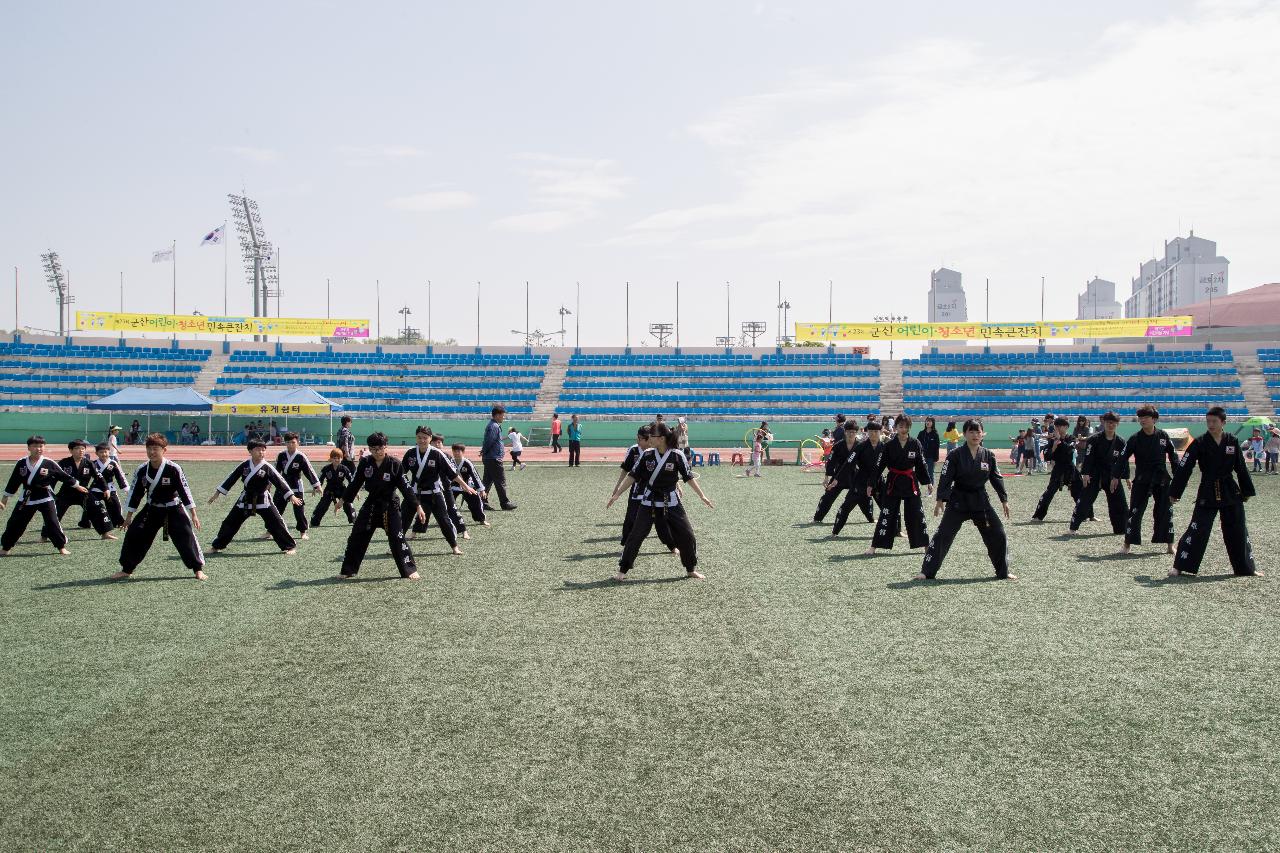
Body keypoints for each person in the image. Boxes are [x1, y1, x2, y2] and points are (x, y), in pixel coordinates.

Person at [607, 421, 714, 581]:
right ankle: (622, 571)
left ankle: (691, 568)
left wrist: (702, 496)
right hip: (648, 501)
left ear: (662, 438)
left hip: (671, 502)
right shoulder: (647, 454)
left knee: (687, 535)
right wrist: (617, 494)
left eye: (652, 435)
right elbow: (633, 475)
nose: (649, 438)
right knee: (635, 536)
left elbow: (688, 477)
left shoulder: (677, 455)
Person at [916, 419, 1015, 581]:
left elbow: (996, 478)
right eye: (971, 431)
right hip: (958, 501)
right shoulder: (955, 455)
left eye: (978, 432)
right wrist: (940, 499)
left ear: (983, 434)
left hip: (980, 501)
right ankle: (926, 572)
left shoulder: (988, 455)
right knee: (942, 535)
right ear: (965, 434)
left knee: (998, 534)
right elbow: (946, 476)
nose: (975, 435)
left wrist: (1004, 499)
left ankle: (1003, 572)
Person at [1168, 407, 1261, 578]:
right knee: (1197, 529)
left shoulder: (1232, 441)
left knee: (1238, 529)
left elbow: (1241, 467)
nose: (1210, 424)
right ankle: (1179, 566)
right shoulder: (1200, 442)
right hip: (1207, 490)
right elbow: (1185, 467)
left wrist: (1246, 490)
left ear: (1223, 422)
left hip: (1229, 490)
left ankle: (1246, 568)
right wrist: (1175, 492)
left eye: (1214, 421)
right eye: (1208, 421)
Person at [113, 433, 206, 580]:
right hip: (152, 509)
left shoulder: (173, 468)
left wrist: (193, 514)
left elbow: (185, 491)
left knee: (186, 537)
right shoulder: (142, 469)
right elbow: (135, 494)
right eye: (149, 448)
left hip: (174, 508)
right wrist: (129, 517)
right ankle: (127, 569)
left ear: (164, 450)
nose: (152, 452)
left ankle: (197, 569)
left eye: (155, 448)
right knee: (135, 534)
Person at [335, 432, 425, 580]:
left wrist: (417, 506)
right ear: (369, 449)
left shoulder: (395, 464)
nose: (377, 452)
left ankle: (408, 570)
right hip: (371, 504)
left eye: (380, 448)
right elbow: (355, 482)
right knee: (356, 537)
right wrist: (343, 500)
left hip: (390, 505)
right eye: (373, 448)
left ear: (385, 447)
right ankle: (348, 570)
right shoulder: (365, 462)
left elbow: (406, 487)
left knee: (397, 538)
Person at [209, 439, 301, 555]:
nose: (261, 452)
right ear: (250, 451)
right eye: (258, 450)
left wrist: (290, 495)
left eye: (263, 450)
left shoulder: (267, 467)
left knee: (276, 522)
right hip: (246, 499)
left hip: (263, 499)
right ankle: (216, 546)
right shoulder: (244, 465)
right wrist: (218, 493)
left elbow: (280, 481)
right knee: (230, 522)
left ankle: (289, 546)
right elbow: (231, 478)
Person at [1, 436, 88, 556]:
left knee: (52, 522)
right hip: (28, 497)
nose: (38, 449)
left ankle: (61, 546)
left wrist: (76, 485)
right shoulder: (22, 463)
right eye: (35, 446)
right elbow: (13, 481)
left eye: (41, 446)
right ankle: (6, 547)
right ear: (29, 448)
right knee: (16, 523)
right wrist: (5, 498)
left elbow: (63, 476)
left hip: (45, 496)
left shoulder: (49, 463)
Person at [1115, 404, 1179, 554]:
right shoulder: (1135, 439)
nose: (1142, 420)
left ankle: (1170, 545)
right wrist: (1115, 476)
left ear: (1154, 419)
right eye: (1140, 418)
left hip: (1161, 478)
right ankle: (1127, 545)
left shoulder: (1163, 436)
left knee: (1166, 511)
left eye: (1146, 417)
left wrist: (1179, 478)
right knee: (1135, 511)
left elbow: (1174, 457)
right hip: (1142, 478)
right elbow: (1122, 458)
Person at [401, 426, 476, 554]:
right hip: (415, 493)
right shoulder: (410, 453)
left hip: (434, 494)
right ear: (416, 438)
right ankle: (395, 546)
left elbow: (451, 473)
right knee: (403, 520)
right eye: (419, 437)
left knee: (444, 520)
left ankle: (454, 546)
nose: (422, 440)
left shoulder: (437, 453)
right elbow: (401, 473)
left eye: (425, 438)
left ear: (430, 438)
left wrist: (465, 485)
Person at [868, 414, 932, 554]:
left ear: (909, 428)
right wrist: (871, 484)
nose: (903, 429)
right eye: (901, 426)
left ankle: (925, 545)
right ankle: (874, 547)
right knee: (887, 513)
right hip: (893, 482)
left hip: (910, 482)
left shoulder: (915, 443)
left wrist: (927, 482)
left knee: (917, 514)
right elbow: (879, 466)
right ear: (895, 427)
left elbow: (921, 464)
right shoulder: (889, 445)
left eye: (906, 426)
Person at [614, 425, 674, 551]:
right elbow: (627, 470)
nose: (637, 440)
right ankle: (626, 544)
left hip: (655, 492)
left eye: (640, 438)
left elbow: (666, 472)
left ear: (648, 439)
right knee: (630, 518)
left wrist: (677, 486)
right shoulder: (634, 450)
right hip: (637, 491)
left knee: (662, 520)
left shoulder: (659, 451)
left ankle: (672, 545)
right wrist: (618, 487)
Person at [1069, 411, 1129, 535]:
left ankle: (1121, 530)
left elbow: (1123, 461)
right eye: (1108, 422)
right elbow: (1088, 457)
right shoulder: (1094, 439)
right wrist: (1085, 474)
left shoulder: (1120, 442)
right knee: (1084, 501)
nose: (1110, 425)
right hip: (1094, 474)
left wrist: (1125, 477)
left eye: (1113, 423)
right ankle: (1073, 528)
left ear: (1117, 424)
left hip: (1112, 476)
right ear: (1103, 423)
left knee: (1119, 503)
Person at [831, 420, 884, 536]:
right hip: (861, 481)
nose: (874, 434)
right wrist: (836, 479)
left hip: (878, 481)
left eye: (876, 431)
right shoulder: (861, 446)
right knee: (845, 507)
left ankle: (897, 530)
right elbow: (848, 463)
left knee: (888, 507)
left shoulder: (885, 447)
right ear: (866, 432)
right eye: (871, 431)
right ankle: (835, 531)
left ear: (881, 432)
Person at [39, 439, 97, 543]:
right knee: (54, 513)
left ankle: (105, 533)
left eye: (83, 449)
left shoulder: (89, 463)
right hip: (66, 492)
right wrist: (50, 491)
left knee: (97, 508)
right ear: (70, 450)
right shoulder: (64, 462)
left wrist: (105, 488)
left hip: (83, 491)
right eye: (77, 448)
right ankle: (44, 536)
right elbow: (53, 478)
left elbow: (98, 477)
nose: (81, 451)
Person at [273, 432, 321, 539]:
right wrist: (269, 484)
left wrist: (317, 485)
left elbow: (309, 471)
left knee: (299, 510)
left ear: (298, 443)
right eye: (288, 442)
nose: (290, 444)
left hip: (296, 485)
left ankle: (303, 531)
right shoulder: (281, 455)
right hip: (283, 485)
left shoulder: (300, 456)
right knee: (276, 509)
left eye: (293, 442)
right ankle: (271, 531)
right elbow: (275, 472)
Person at [1031, 417, 1075, 521]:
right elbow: (1047, 457)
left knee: (1081, 492)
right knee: (1049, 493)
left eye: (1060, 426)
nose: (1058, 428)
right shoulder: (1052, 441)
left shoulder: (1071, 438)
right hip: (1058, 469)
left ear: (1066, 427)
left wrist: (1060, 440)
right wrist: (1054, 447)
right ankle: (1038, 516)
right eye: (1056, 426)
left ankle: (1088, 515)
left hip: (1070, 468)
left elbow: (1069, 450)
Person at [85, 441, 129, 532]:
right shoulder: (93, 463)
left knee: (115, 505)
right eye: (101, 452)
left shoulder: (113, 463)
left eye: (105, 452)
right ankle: (85, 522)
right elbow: (87, 477)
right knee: (89, 504)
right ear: (96, 453)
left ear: (109, 452)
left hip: (110, 488)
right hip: (96, 488)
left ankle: (117, 521)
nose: (104, 454)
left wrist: (126, 488)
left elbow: (120, 476)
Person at [813, 415, 849, 523]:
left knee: (829, 495)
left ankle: (818, 517)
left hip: (841, 466)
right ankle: (870, 517)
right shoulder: (840, 430)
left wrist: (827, 476)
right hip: (844, 466)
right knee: (860, 496)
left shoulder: (839, 430)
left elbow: (836, 445)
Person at [481, 406, 516, 510]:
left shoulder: (493, 425)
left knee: (487, 482)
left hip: (490, 458)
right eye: (502, 415)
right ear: (497, 415)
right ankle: (504, 503)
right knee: (500, 481)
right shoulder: (494, 426)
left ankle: (482, 502)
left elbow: (489, 442)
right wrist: (485, 451)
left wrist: (484, 452)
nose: (503, 418)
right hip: (493, 458)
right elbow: (489, 441)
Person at [311, 448, 356, 527]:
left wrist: (355, 491)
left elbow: (351, 481)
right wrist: (316, 487)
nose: (337, 460)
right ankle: (314, 521)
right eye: (334, 458)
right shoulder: (326, 468)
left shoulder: (344, 469)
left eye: (339, 458)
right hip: (329, 489)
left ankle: (354, 519)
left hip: (341, 489)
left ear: (342, 459)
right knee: (322, 505)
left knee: (348, 503)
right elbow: (319, 479)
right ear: (331, 458)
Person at [449, 443, 489, 528]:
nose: (456, 453)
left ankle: (481, 519)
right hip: (453, 487)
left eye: (458, 451)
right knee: (448, 503)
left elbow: (475, 475)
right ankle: (448, 519)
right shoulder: (450, 462)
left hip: (468, 487)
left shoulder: (467, 462)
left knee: (476, 502)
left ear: (463, 452)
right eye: (454, 451)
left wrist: (481, 489)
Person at [917, 416, 941, 483]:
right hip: (921, 457)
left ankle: (930, 492)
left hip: (931, 458)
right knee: (918, 474)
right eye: (927, 420)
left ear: (933, 423)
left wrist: (936, 459)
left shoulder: (935, 434)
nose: (928, 422)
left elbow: (937, 447)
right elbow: (917, 445)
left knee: (930, 474)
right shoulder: (921, 433)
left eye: (930, 421)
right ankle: (916, 490)